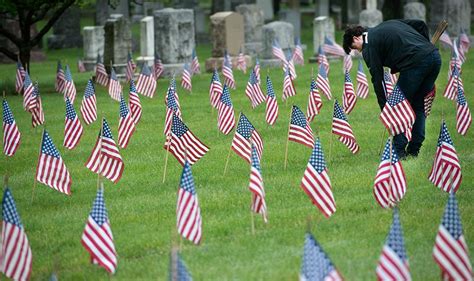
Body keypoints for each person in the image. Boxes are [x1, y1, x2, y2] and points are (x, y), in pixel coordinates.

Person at [343, 19, 441, 159]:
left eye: (354, 48)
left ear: (356, 37)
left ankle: (398, 151)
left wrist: (386, 108)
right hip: (434, 57)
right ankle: (414, 150)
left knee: (396, 106)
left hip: (415, 64)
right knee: (418, 105)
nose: (358, 51)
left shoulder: (368, 45)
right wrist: (425, 45)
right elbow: (420, 24)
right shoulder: (385, 25)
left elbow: (378, 79)